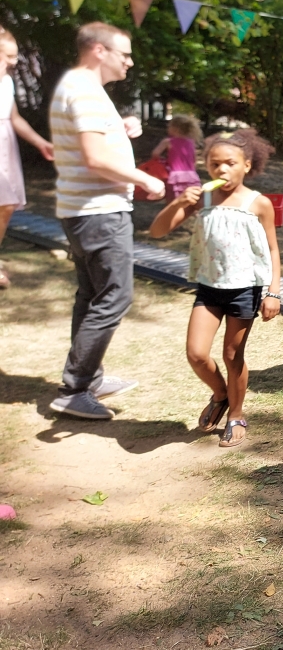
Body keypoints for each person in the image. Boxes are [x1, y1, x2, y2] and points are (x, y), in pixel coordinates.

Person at [48, 23, 164, 420]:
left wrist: (123, 129)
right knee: (115, 296)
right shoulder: (84, 90)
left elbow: (93, 143)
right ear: (99, 50)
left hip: (82, 209)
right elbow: (95, 159)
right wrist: (145, 178)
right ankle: (75, 387)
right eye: (125, 54)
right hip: (98, 212)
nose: (130, 62)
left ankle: (87, 376)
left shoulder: (80, 88)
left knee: (91, 295)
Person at [149, 129, 281, 448]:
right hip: (209, 288)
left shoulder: (259, 203)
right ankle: (221, 394)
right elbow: (156, 231)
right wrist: (178, 202)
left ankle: (236, 413)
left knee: (233, 354)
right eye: (214, 164)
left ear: (247, 165)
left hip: (244, 289)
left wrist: (273, 292)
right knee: (196, 354)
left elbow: (273, 250)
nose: (222, 170)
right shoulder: (202, 198)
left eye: (230, 163)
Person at [0, 26, 54, 289]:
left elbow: (14, 119)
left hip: (4, 143)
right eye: (9, 56)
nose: (14, 61)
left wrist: (41, 142)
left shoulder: (8, 82)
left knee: (6, 205)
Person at [150, 114, 203, 202]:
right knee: (191, 200)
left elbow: (155, 153)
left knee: (174, 201)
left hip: (175, 176)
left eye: (169, 126)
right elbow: (194, 160)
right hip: (191, 175)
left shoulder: (168, 141)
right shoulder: (191, 142)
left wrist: (162, 161)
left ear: (175, 128)